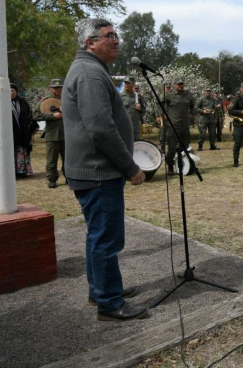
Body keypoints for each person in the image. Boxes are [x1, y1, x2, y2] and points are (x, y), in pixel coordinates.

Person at [62, 18, 146, 321]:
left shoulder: (92, 70)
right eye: (109, 36)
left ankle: (101, 289)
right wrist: (130, 167)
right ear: (90, 42)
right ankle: (109, 304)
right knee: (107, 238)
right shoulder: (89, 73)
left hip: (94, 171)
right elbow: (100, 129)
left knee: (99, 235)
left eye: (116, 35)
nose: (116, 40)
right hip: (99, 172)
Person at [33, 78, 66, 188]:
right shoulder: (45, 101)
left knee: (69, 159)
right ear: (50, 88)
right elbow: (35, 115)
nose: (58, 90)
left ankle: (69, 177)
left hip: (68, 134)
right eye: (55, 88)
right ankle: (52, 179)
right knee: (52, 160)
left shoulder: (68, 99)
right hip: (53, 135)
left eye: (60, 88)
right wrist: (52, 116)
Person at [163, 77, 195, 173]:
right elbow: (159, 103)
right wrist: (162, 114)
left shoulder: (188, 95)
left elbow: (193, 104)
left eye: (181, 84)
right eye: (178, 84)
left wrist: (191, 113)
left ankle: (183, 166)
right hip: (173, 124)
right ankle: (170, 167)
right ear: (174, 85)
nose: (180, 86)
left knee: (185, 147)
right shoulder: (169, 95)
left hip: (184, 125)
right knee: (172, 147)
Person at [8, 83, 37, 177]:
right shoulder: (1, 102)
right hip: (8, 134)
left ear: (16, 92)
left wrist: (30, 128)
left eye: (13, 90)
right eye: (9, 90)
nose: (11, 92)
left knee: (20, 150)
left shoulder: (22, 102)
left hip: (22, 133)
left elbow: (29, 116)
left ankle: (21, 171)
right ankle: (9, 172)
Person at [121, 76, 144, 141]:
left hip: (134, 128)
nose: (126, 85)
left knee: (136, 147)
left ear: (133, 85)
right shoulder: (119, 96)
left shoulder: (138, 97)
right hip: (123, 127)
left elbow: (143, 112)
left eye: (128, 83)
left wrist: (140, 109)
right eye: (126, 83)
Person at [157, 83, 171, 152]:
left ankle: (170, 147)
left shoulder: (172, 95)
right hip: (162, 116)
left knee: (170, 133)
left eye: (169, 88)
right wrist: (158, 115)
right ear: (164, 88)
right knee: (162, 132)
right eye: (167, 88)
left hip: (170, 116)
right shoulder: (160, 95)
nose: (168, 89)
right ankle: (162, 148)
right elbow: (157, 106)